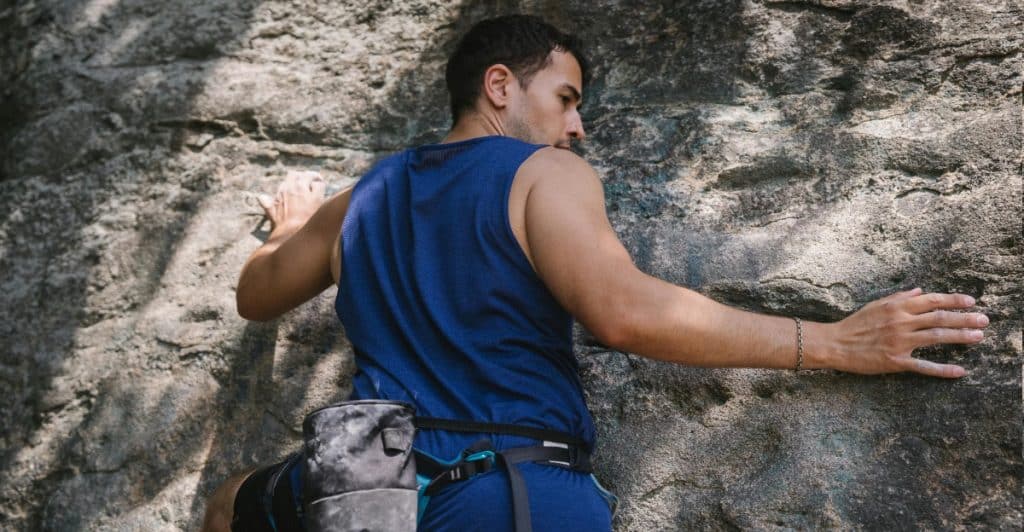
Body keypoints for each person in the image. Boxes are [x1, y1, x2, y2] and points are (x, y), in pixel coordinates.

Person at [200, 14, 989, 532]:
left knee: (229, 504)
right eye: (567, 98)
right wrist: (833, 341)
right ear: (500, 85)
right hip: (504, 493)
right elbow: (621, 312)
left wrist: (295, 230)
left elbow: (254, 295)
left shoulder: (364, 195)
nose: (575, 127)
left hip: (360, 493)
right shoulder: (542, 173)